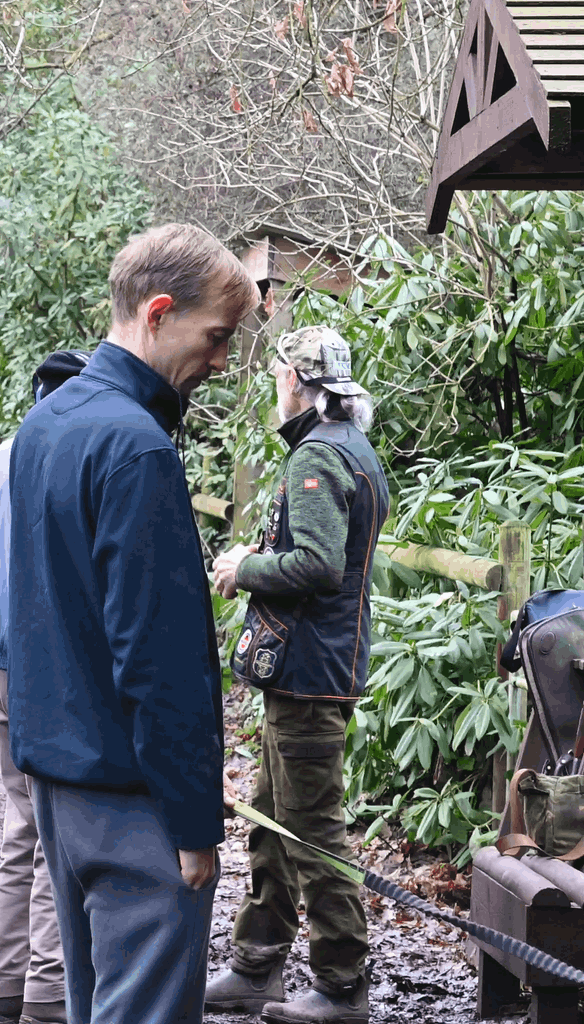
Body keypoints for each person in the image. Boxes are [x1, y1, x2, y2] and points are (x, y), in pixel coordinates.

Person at [7, 223, 258, 1024]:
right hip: (131, 796)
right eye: (217, 336)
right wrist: (193, 823)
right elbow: (161, 657)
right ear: (158, 313)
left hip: (59, 783)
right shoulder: (135, 447)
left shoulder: (46, 425)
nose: (221, 360)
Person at [204, 327, 388, 1024]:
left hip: (310, 671)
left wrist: (241, 568)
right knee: (271, 821)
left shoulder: (314, 456)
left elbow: (317, 566)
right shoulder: (354, 449)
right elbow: (323, 552)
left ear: (294, 381)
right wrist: (266, 550)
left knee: (312, 832)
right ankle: (257, 965)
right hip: (319, 666)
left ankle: (343, 985)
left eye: (280, 371)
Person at [0, 350, 90, 1024]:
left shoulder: (7, 451)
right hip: (49, 658)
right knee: (53, 830)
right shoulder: (84, 447)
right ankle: (46, 995)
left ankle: (0, 988)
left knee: (21, 827)